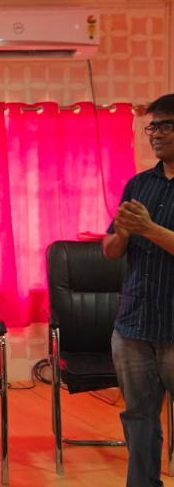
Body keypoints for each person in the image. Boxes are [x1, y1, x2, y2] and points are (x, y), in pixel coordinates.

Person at [104, 93, 174, 487]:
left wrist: (149, 229)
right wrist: (123, 233)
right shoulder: (138, 184)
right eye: (152, 126)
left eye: (166, 125)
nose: (156, 134)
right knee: (139, 419)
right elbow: (111, 249)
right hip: (133, 326)